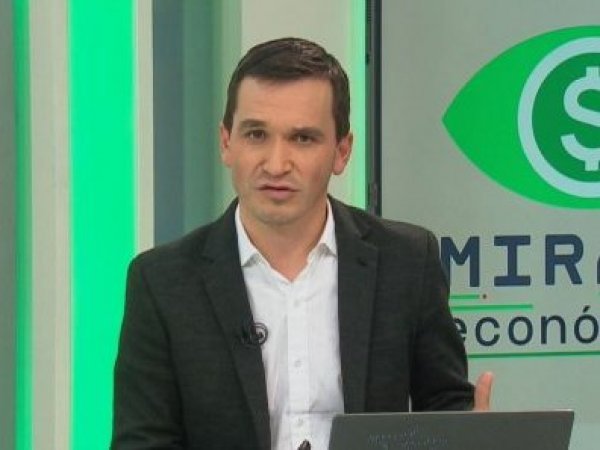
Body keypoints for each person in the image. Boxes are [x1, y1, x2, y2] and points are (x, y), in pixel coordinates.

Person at [111, 37, 493, 450]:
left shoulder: (407, 261)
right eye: (256, 134)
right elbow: (142, 441)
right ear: (226, 143)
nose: (276, 164)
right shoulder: (162, 282)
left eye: (303, 139)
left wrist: (469, 434)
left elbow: (444, 408)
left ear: (342, 151)